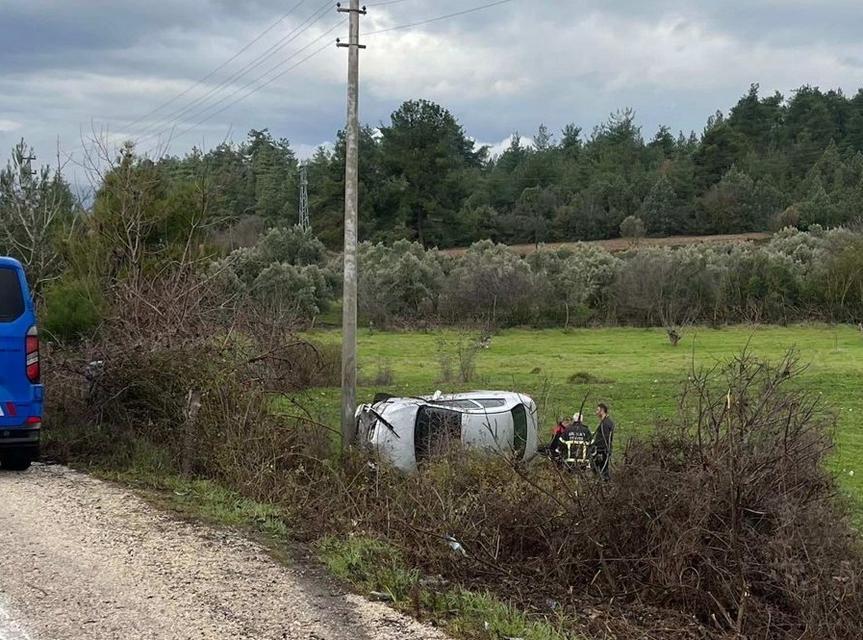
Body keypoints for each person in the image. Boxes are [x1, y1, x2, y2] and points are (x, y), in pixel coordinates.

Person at [591, 403, 615, 481]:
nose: (596, 412)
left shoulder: (605, 424)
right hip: (605, 450)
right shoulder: (607, 422)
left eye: (597, 410)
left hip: (602, 450)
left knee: (601, 469)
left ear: (602, 411)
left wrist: (597, 448)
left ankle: (604, 485)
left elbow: (604, 439)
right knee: (601, 469)